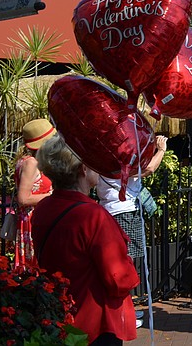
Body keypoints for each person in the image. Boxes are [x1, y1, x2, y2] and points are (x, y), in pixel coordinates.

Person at [31, 133, 139, 345]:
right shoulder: (93, 215)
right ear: (82, 168)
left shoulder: (43, 208)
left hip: (59, 315)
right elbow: (118, 279)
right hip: (94, 322)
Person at [95, 134, 167, 327]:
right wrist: (161, 150)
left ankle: (124, 307)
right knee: (125, 262)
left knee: (122, 261)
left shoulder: (101, 157)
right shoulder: (121, 159)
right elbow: (149, 168)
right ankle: (122, 312)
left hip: (112, 210)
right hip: (124, 211)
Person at [12, 118, 55, 270]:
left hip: (36, 217)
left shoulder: (28, 160)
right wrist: (53, 196)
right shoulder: (31, 163)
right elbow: (23, 198)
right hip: (32, 219)